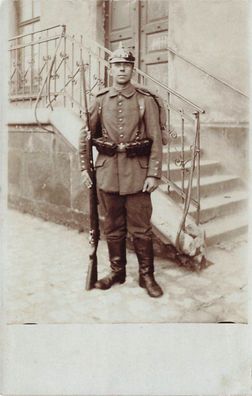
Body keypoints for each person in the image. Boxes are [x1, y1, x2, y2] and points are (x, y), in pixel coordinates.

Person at [79, 43, 163, 298]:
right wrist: (85, 168)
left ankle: (146, 276)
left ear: (132, 69)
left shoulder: (144, 100)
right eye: (117, 66)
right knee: (112, 226)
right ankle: (118, 272)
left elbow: (156, 139)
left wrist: (153, 174)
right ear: (110, 69)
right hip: (106, 173)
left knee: (141, 228)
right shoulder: (100, 100)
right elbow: (85, 136)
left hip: (138, 174)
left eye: (126, 66)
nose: (121, 70)